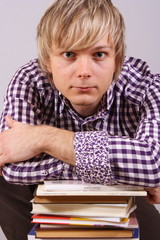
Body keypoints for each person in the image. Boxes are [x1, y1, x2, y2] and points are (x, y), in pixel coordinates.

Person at [0, 0, 160, 239]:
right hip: (40, 194)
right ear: (47, 61)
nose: (84, 71)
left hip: (118, 197)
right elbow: (12, 168)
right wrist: (128, 172)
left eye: (99, 54)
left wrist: (44, 138)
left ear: (117, 60)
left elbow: (154, 164)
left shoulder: (146, 85)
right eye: (68, 54)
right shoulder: (29, 81)